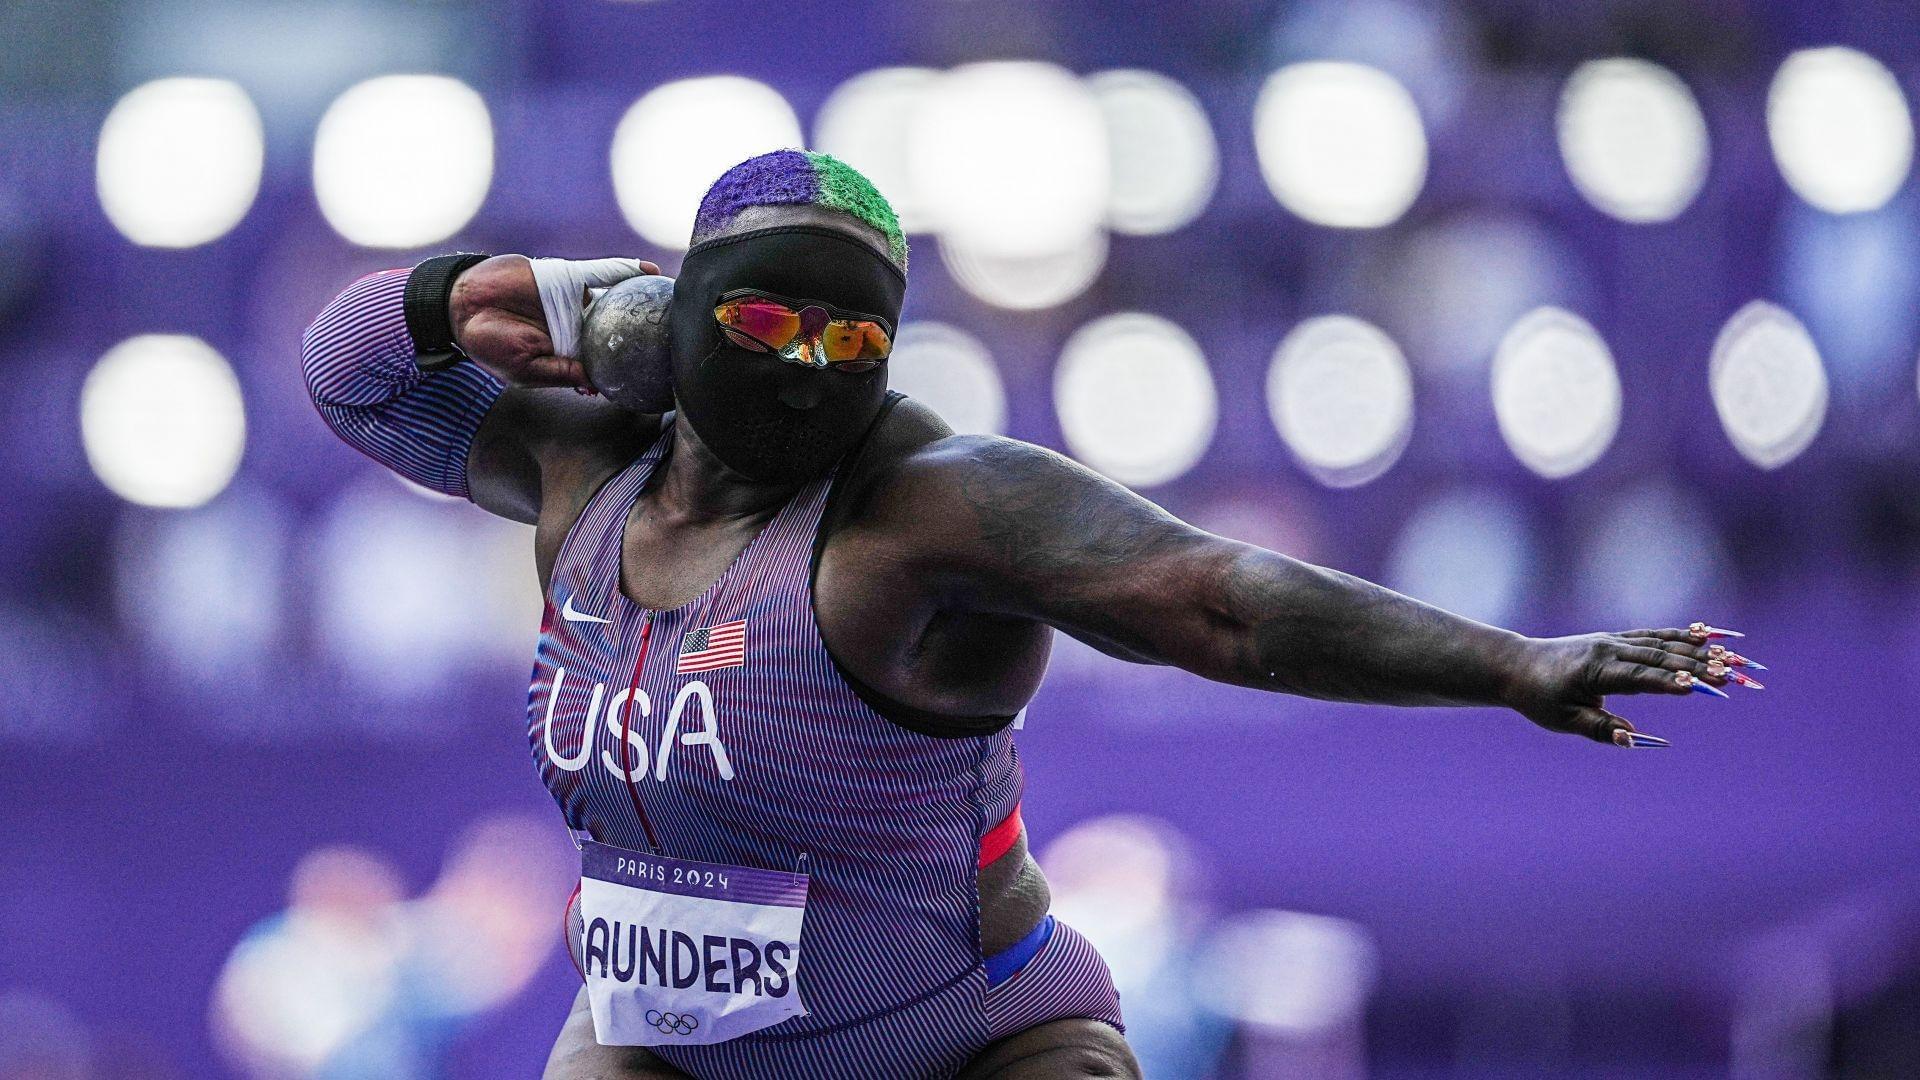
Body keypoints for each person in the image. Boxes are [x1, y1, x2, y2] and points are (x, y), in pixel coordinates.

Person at [302, 149, 1759, 1080]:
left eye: (854, 337)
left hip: (971, 1049)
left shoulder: (932, 508)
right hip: (663, 1052)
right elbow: (348, 366)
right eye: (762, 323)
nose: (809, 368)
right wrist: (512, 292)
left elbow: (1224, 603)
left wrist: (1509, 664)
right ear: (665, 321)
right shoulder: (582, 470)